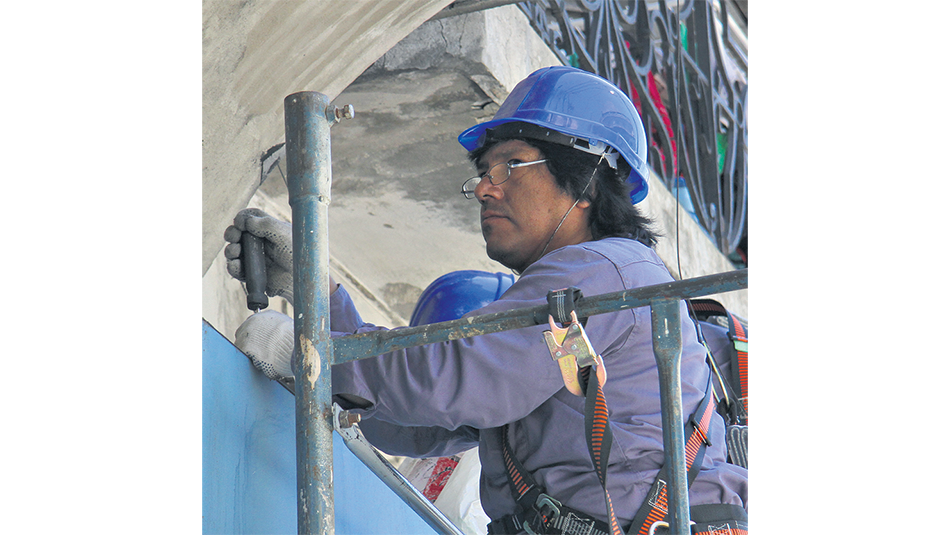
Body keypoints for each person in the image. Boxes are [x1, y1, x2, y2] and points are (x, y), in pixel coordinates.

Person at [225, 66, 748, 534]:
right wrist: (319, 297)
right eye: (482, 173)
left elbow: (453, 379)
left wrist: (315, 354)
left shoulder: (606, 272)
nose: (484, 188)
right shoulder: (582, 293)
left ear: (586, 180)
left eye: (509, 167)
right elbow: (416, 423)